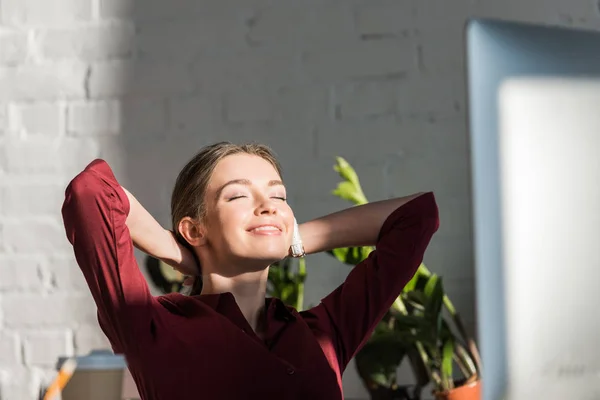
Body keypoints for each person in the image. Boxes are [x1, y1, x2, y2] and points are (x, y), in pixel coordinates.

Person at [61, 142, 439, 400]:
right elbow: (91, 191)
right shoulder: (150, 326)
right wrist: (174, 249)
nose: (268, 205)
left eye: (278, 196)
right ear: (195, 229)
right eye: (239, 195)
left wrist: (293, 238)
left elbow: (417, 216)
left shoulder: (324, 332)